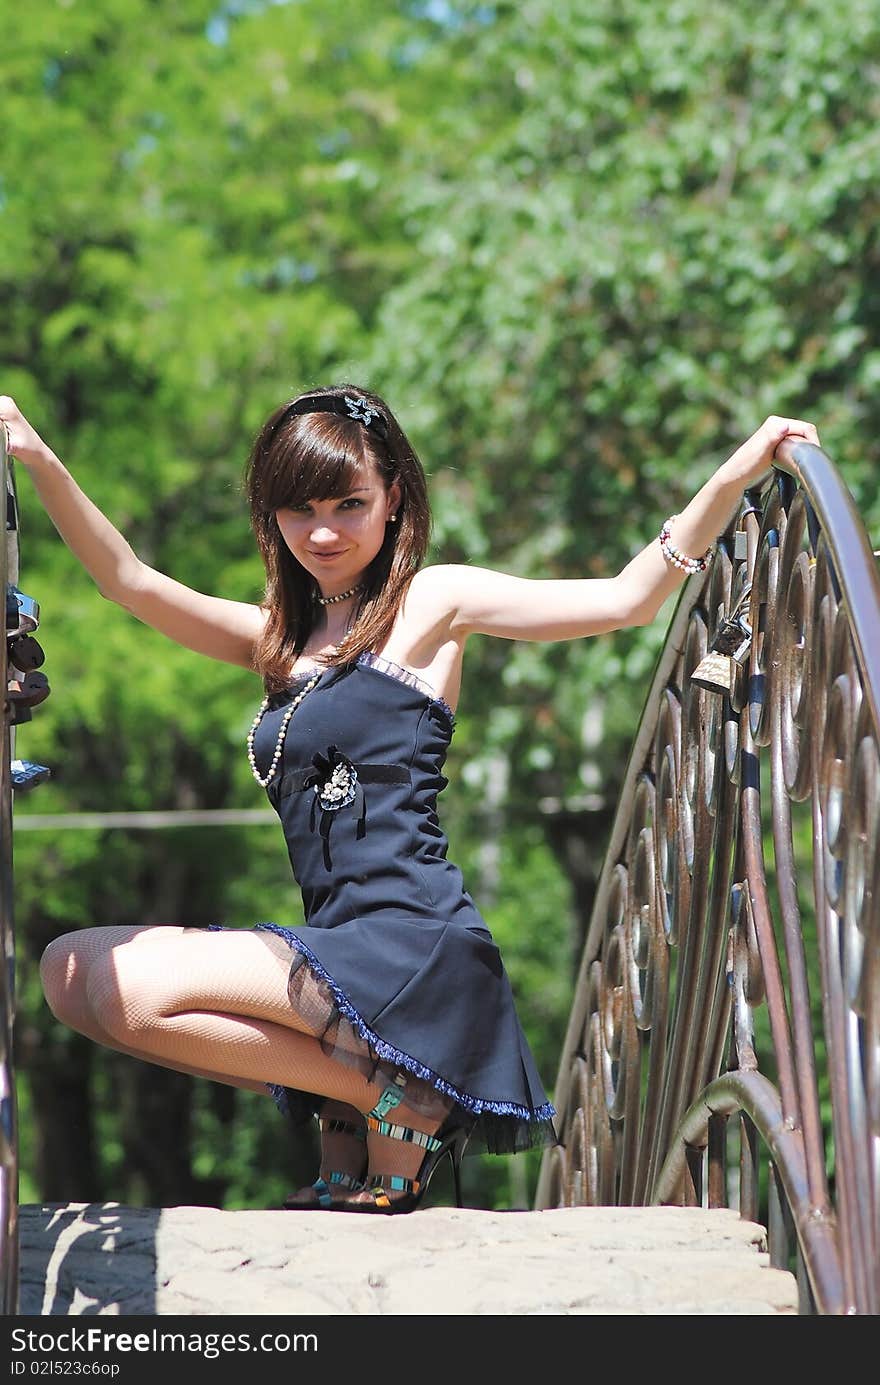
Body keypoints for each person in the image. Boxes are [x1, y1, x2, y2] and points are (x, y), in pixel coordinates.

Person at [0, 389, 819, 1213]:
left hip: (414, 945)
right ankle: (378, 1091)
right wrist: (34, 452)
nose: (323, 531)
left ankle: (403, 1097)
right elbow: (129, 580)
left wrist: (741, 468)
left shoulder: (431, 603)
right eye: (299, 508)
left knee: (123, 987)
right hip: (337, 950)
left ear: (394, 497)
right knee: (67, 971)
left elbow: (623, 600)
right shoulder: (278, 639)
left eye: (349, 504)